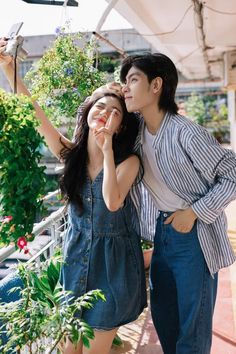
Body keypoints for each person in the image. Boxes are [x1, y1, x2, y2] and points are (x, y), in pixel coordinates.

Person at [0, 39, 147, 354]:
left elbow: (112, 201)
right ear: (89, 112)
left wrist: (107, 151)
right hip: (76, 259)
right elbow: (36, 114)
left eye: (115, 112)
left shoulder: (129, 162)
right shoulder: (71, 155)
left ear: (121, 127)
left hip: (114, 266)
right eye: (100, 106)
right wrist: (9, 69)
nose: (105, 113)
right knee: (68, 351)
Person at [119, 53, 236, 354]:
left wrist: (195, 212)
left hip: (193, 235)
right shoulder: (136, 134)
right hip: (163, 232)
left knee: (192, 332)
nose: (125, 88)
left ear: (156, 84)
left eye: (133, 79)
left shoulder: (187, 133)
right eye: (124, 81)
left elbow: (233, 173)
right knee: (165, 320)